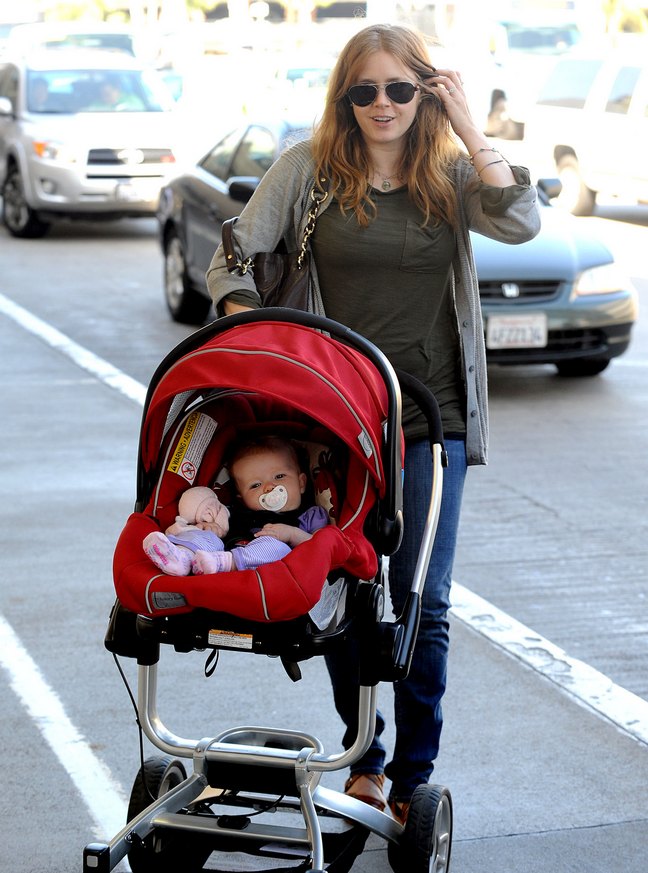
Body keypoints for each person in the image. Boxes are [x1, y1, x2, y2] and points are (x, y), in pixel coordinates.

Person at [205, 23, 541, 824]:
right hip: (339, 422)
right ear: (344, 98)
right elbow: (233, 255)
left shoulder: (452, 175)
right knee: (350, 587)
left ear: (422, 92)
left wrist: (468, 124)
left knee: (422, 601)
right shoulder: (309, 169)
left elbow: (522, 220)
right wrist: (248, 322)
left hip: (433, 419)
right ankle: (365, 759)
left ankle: (412, 773)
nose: (381, 104)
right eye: (364, 90)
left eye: (398, 88)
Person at [143, 436, 329, 576]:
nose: (269, 487)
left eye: (279, 476)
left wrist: (291, 534)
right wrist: (212, 528)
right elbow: (218, 529)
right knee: (205, 535)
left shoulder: (310, 515)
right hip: (218, 553)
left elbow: (321, 549)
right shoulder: (235, 512)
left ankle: (224, 563)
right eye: (255, 485)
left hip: (265, 565)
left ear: (302, 483)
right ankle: (181, 558)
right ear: (242, 497)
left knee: (276, 547)